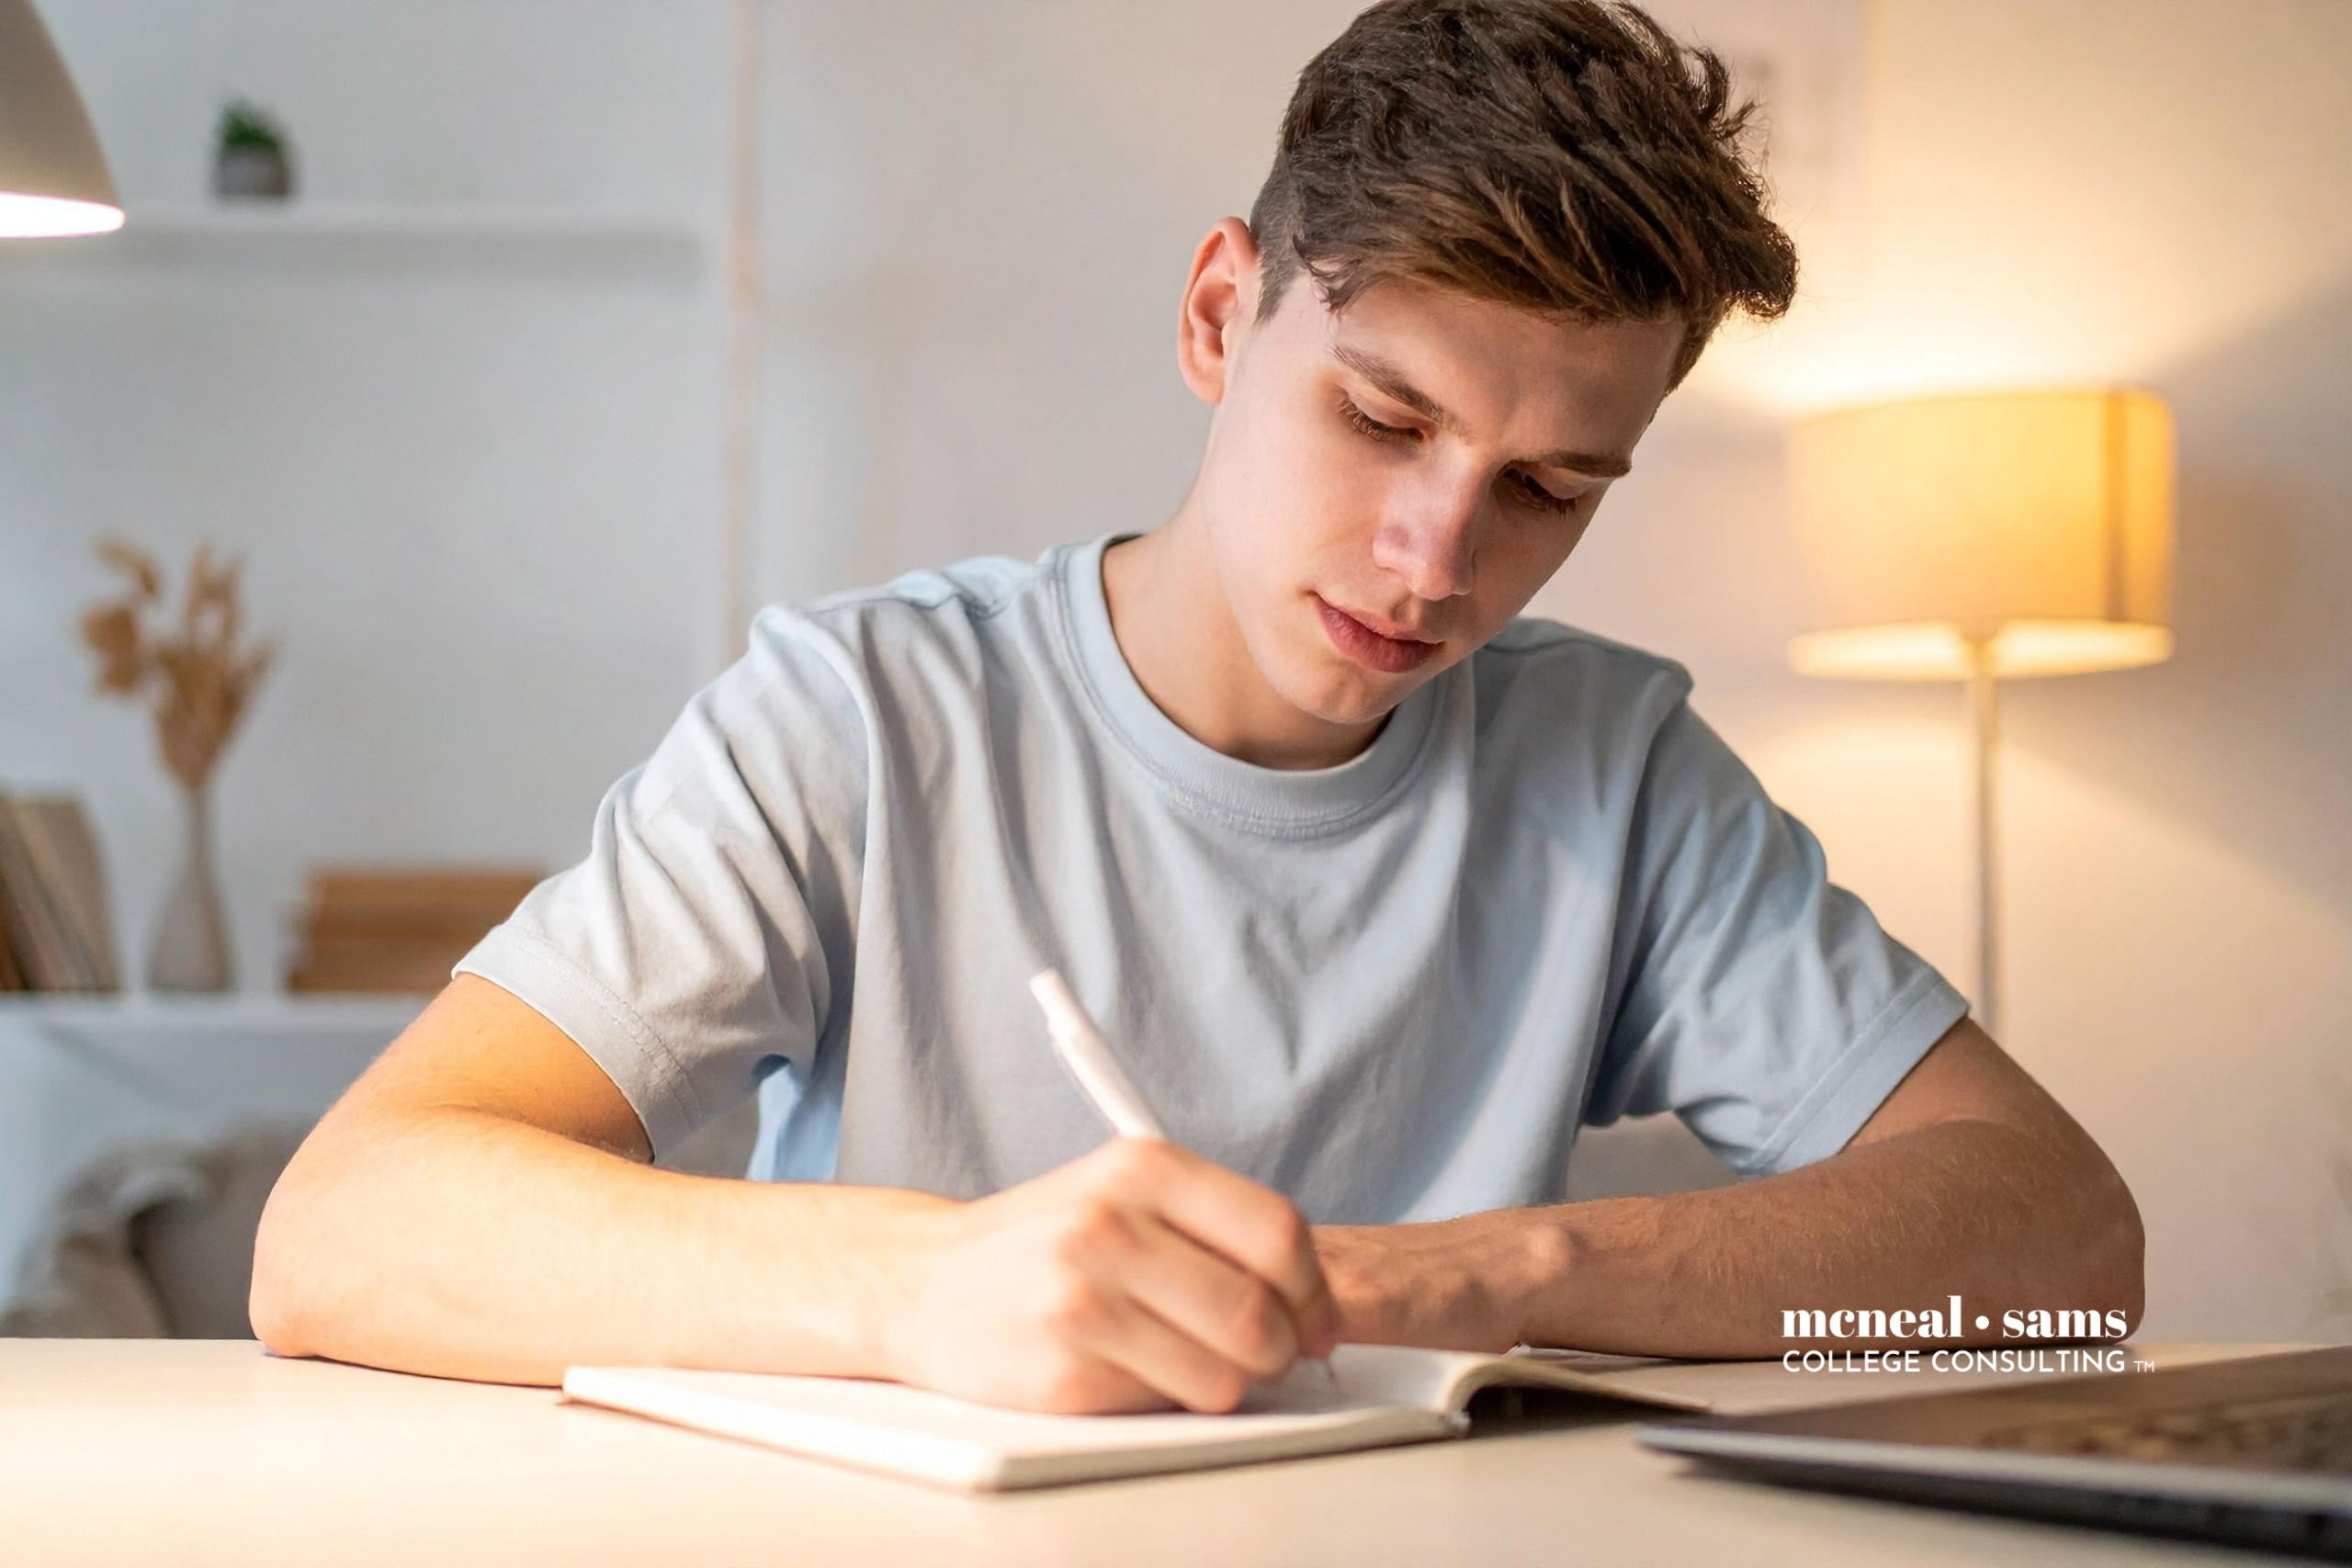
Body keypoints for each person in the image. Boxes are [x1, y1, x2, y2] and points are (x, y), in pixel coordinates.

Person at [252, 0, 2143, 1414]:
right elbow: (339, 1231)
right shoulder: (859, 717)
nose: (1432, 557)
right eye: (1382, 419)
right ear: (1218, 315)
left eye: (1549, 488)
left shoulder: (1612, 769)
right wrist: (918, 1290)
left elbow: (2065, 1262)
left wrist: (1473, 1273)